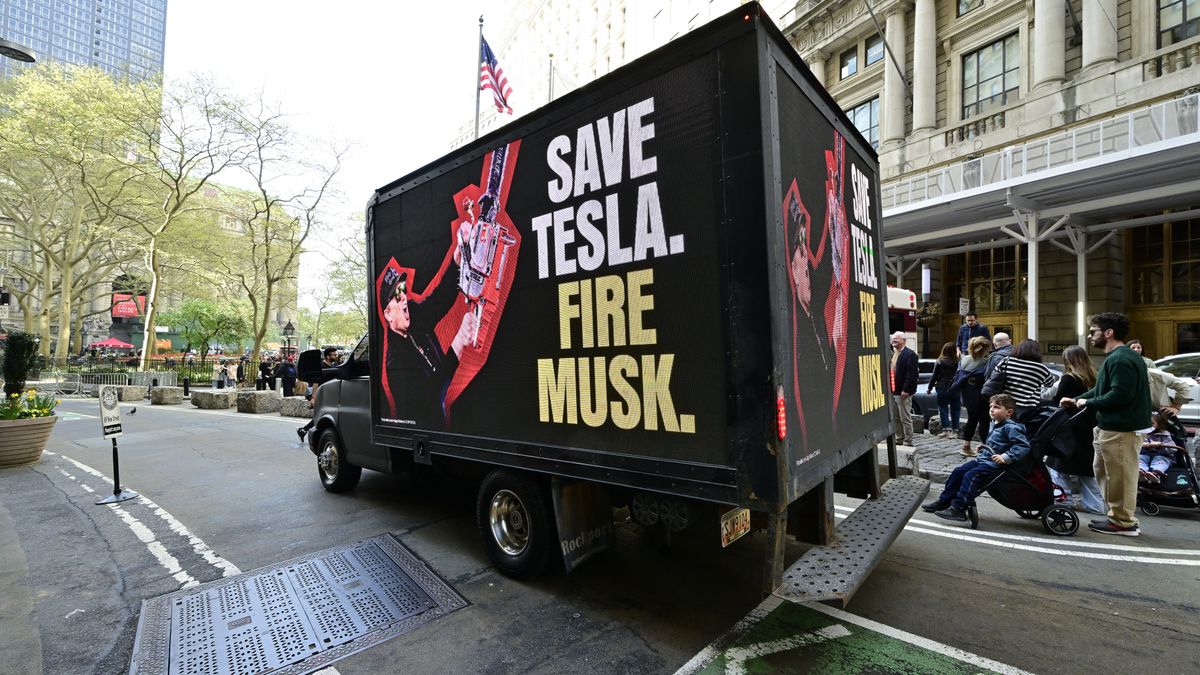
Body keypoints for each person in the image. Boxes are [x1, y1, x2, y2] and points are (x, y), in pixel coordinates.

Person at [1060, 312, 1153, 537]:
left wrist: (1088, 401)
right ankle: (1117, 518)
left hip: (1120, 429)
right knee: (1108, 474)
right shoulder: (1117, 357)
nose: (1090, 336)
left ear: (1109, 333)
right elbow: (1103, 389)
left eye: (1093, 332)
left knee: (1120, 477)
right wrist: (1078, 400)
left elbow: (1120, 395)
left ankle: (1123, 522)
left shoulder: (1121, 358)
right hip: (1111, 427)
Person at [380, 268, 476, 426]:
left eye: (402, 289)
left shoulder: (413, 316)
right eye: (397, 295)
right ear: (388, 314)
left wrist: (455, 262)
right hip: (425, 429)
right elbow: (429, 391)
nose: (403, 296)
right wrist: (458, 343)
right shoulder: (396, 361)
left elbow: (438, 301)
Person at [922, 393, 1030, 521]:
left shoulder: (1011, 427)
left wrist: (1005, 457)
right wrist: (984, 446)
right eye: (991, 406)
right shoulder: (996, 424)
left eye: (996, 407)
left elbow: (1023, 446)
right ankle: (945, 501)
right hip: (983, 460)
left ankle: (959, 508)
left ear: (1009, 412)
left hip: (994, 464)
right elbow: (998, 443)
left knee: (971, 475)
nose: (991, 409)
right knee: (958, 472)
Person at [1045, 345, 1104, 514]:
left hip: (1070, 428)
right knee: (1086, 469)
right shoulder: (1093, 377)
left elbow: (1059, 402)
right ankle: (1094, 505)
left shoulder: (1069, 378)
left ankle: (1064, 500)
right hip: (1089, 426)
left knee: (1057, 464)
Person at [985, 338, 1056, 422]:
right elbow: (1050, 383)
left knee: (1000, 426)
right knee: (1020, 429)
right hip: (1027, 406)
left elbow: (994, 376)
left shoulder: (1006, 361)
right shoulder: (1040, 368)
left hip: (1005, 403)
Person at [297, 347, 344, 441]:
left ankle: (303, 430)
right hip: (320, 395)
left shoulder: (332, 367)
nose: (336, 356)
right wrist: (313, 398)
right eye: (334, 355)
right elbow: (315, 382)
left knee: (322, 415)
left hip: (328, 395)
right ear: (327, 356)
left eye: (336, 354)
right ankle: (305, 430)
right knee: (321, 415)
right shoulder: (321, 367)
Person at [956, 336, 991, 457]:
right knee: (984, 421)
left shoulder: (964, 359)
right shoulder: (985, 362)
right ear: (983, 349)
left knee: (972, 419)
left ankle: (966, 446)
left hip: (967, 395)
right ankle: (986, 447)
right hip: (981, 396)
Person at [890, 331, 919, 446]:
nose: (893, 341)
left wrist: (906, 390)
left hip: (903, 391)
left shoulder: (910, 355)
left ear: (903, 340)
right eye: (892, 339)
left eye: (896, 339)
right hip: (893, 391)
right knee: (896, 417)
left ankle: (908, 440)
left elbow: (911, 374)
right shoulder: (893, 353)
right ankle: (899, 438)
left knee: (905, 417)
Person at [927, 342, 960, 438]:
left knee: (943, 409)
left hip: (942, 387)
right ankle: (955, 432)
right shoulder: (958, 362)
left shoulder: (940, 361)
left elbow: (934, 376)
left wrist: (930, 388)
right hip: (955, 388)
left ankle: (946, 430)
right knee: (956, 410)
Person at [1138, 412, 1179, 484]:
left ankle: (1156, 473)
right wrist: (1142, 445)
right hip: (1144, 454)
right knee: (1140, 458)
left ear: (1158, 424)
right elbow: (1133, 448)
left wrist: (1161, 445)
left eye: (1151, 423)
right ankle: (1141, 472)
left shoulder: (1164, 434)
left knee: (1160, 459)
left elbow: (1173, 449)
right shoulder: (1139, 434)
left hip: (1162, 455)